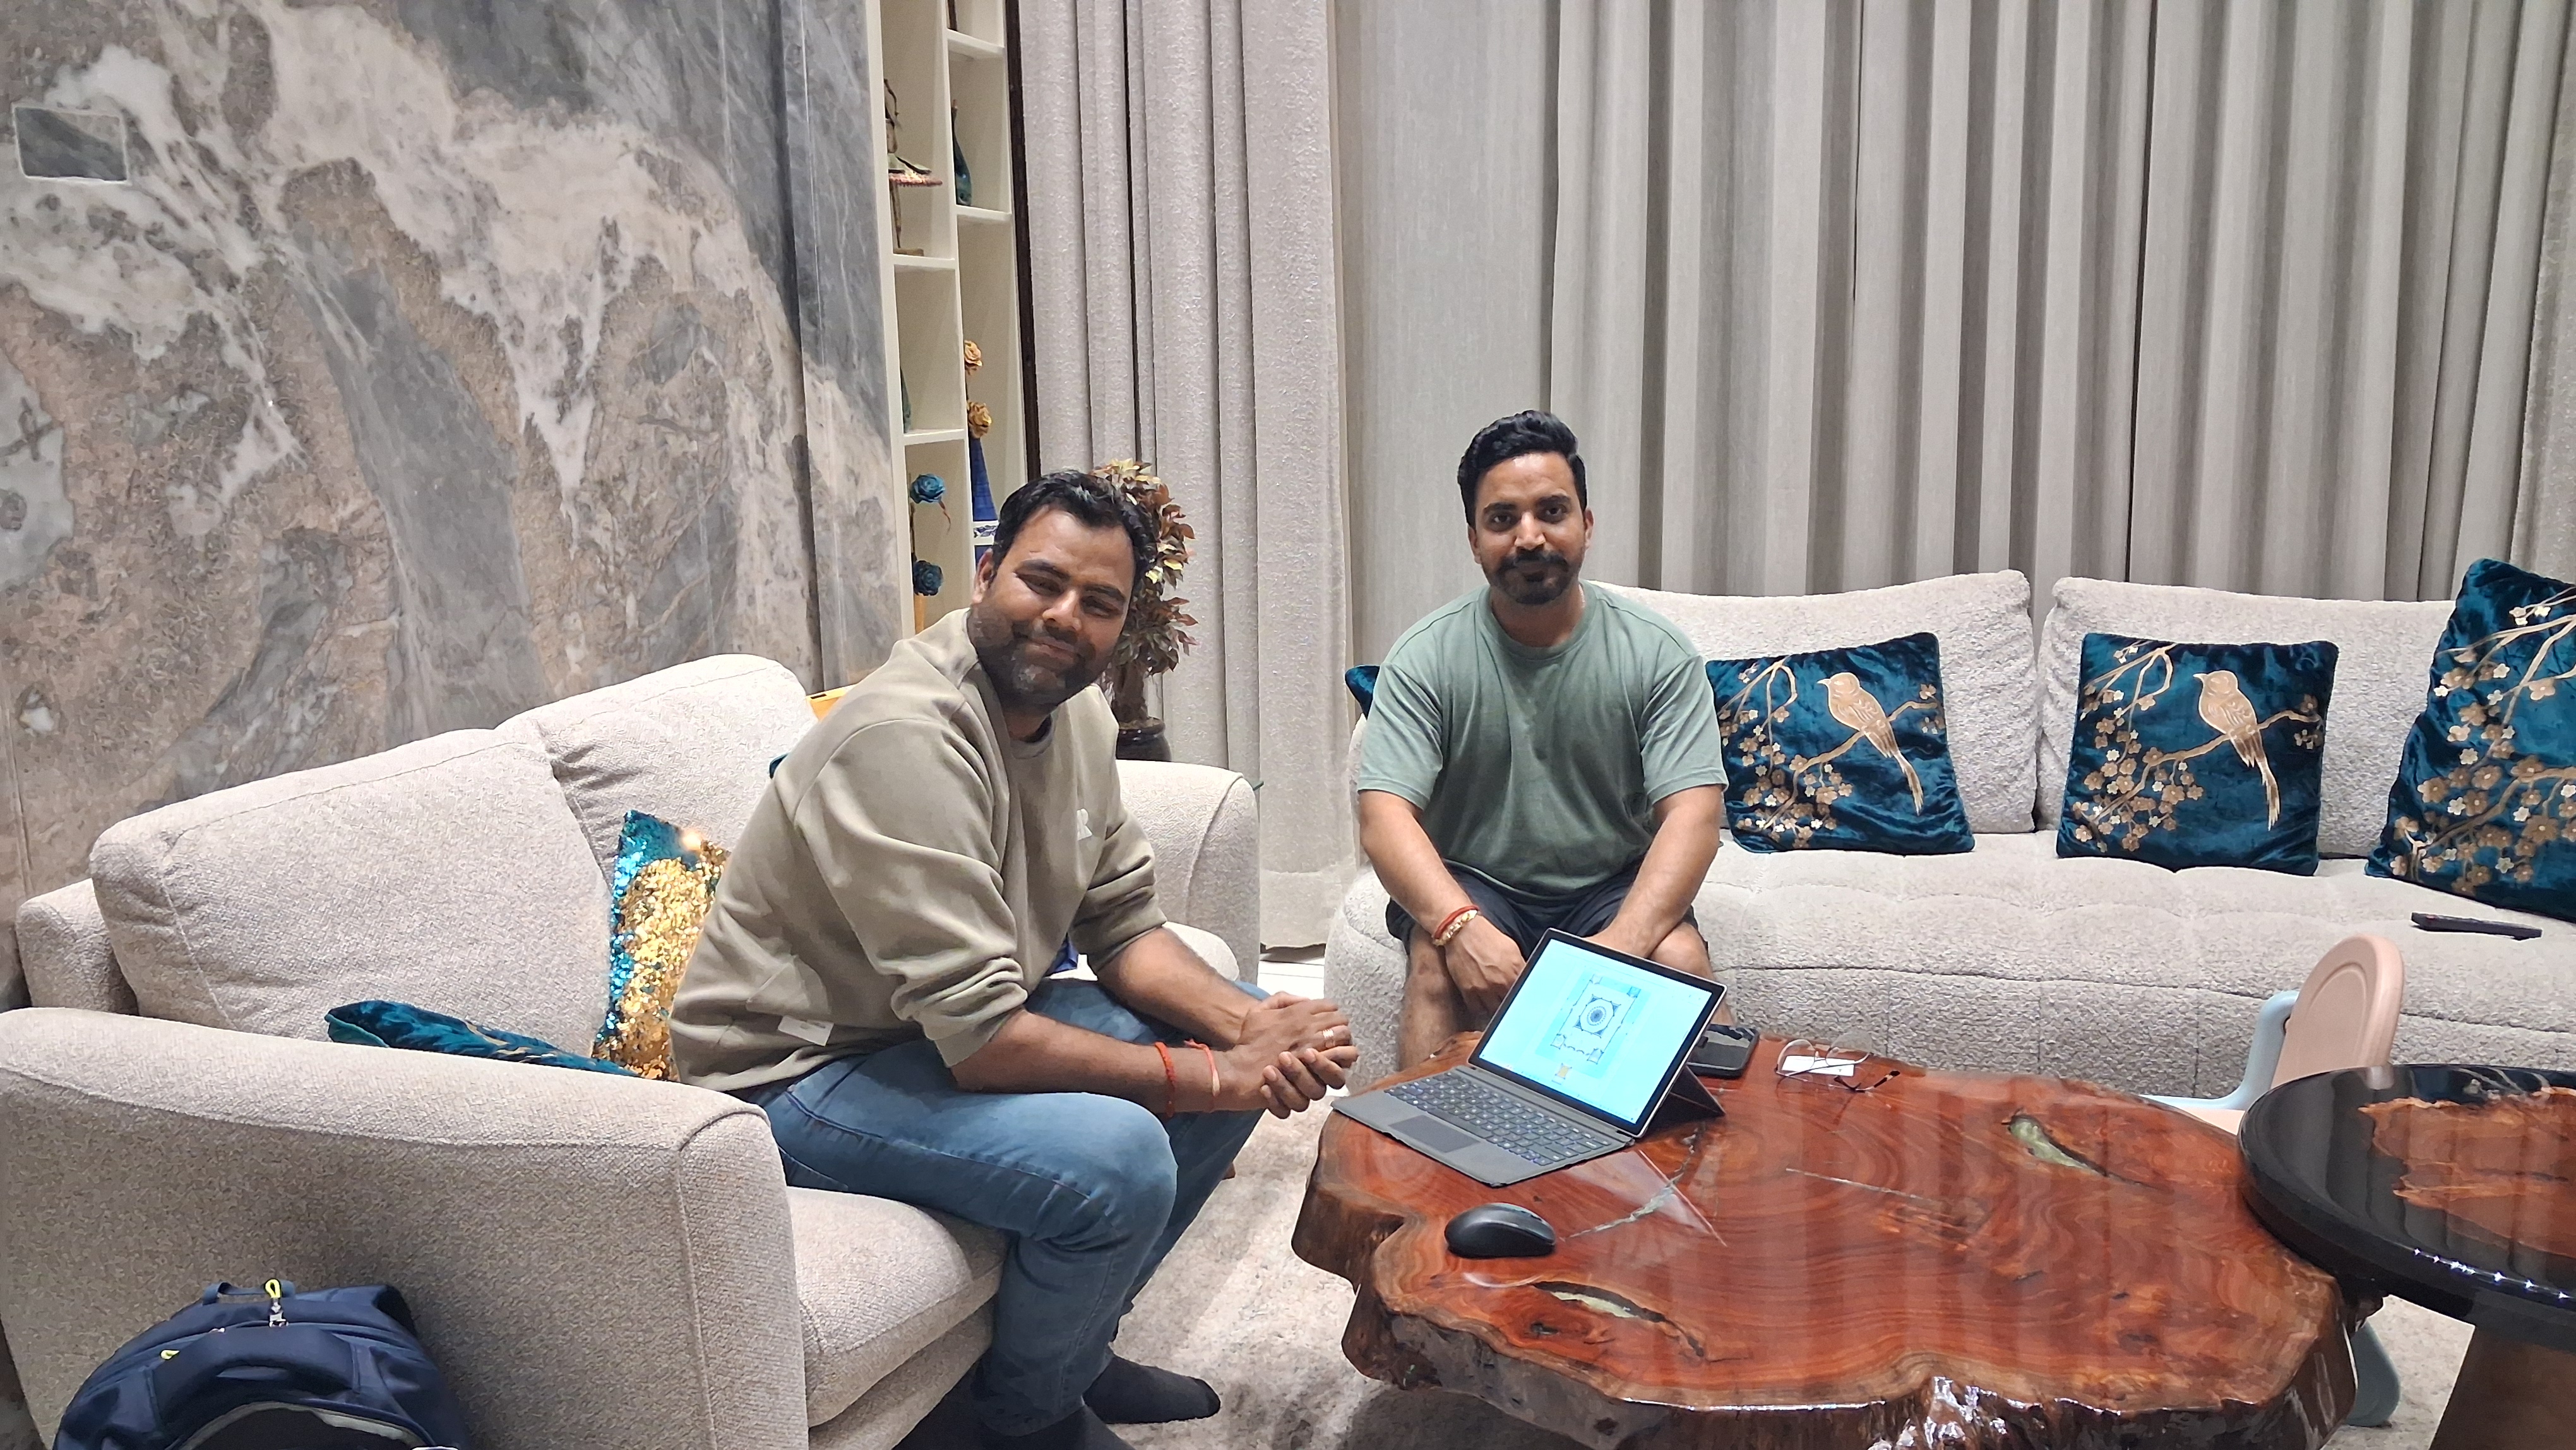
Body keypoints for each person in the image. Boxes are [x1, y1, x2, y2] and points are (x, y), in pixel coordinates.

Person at [674, 470, 1359, 1450]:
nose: (1065, 617)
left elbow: (1124, 927)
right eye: (1043, 581)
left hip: (926, 1034)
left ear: (1121, 627)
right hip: (792, 1077)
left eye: (1099, 603)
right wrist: (1215, 1073)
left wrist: (1256, 1029)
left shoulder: (1078, 716)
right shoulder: (905, 737)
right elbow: (987, 1042)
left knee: (1228, 1023)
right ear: (987, 574)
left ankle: (1077, 1354)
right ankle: (1025, 1424)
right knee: (1122, 1157)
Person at [1357, 410, 1731, 1070]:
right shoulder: (1425, 656)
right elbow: (1384, 818)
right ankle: (1420, 1138)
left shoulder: (1658, 653)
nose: (1529, 537)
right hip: (1476, 881)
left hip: (1610, 882)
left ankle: (1697, 1143)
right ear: (1474, 540)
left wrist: (1619, 948)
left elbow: (1695, 817)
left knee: (1677, 958)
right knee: (1437, 968)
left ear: (1586, 523)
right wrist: (1458, 926)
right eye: (1503, 519)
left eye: (1551, 512)